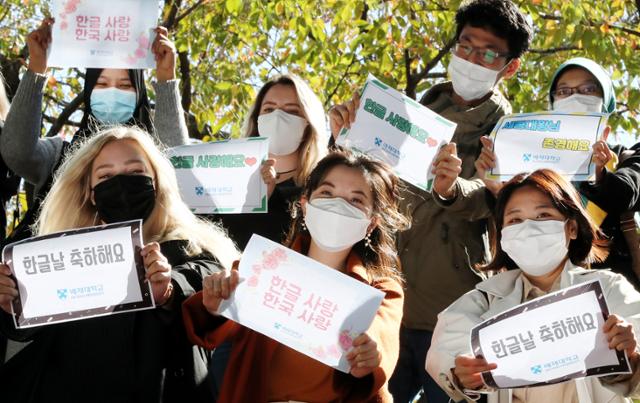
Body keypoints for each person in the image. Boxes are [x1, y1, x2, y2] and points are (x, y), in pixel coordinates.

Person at [329, 0, 532, 401]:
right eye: (466, 45)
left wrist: (452, 188)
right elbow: (367, 184)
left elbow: (497, 199)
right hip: (387, 294)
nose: (472, 58)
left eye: (488, 52)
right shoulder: (407, 113)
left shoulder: (512, 133)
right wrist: (344, 138)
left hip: (454, 305)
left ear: (509, 67)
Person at [0, 126, 239, 402]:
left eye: (136, 172)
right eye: (106, 176)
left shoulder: (191, 247)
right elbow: (31, 330)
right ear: (90, 192)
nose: (121, 184)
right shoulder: (59, 261)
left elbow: (204, 285)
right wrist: (13, 302)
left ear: (157, 182)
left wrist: (168, 290)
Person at [183, 149, 409, 402]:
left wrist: (370, 351)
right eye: (327, 193)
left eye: (356, 200)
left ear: (370, 224)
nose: (338, 205)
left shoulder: (382, 290)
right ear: (305, 205)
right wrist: (216, 304)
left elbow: (381, 337)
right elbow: (212, 326)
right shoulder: (264, 266)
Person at [426, 168, 640, 403]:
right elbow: (447, 352)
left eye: (543, 215)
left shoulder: (609, 290)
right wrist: (461, 374)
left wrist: (630, 355)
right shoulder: (483, 300)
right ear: (504, 236)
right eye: (515, 220)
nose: (528, 228)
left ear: (572, 228)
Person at [1, 18, 188, 230]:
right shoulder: (59, 156)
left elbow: (179, 167)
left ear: (139, 94)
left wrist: (166, 81)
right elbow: (17, 153)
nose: (113, 91)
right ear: (89, 92)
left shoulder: (156, 161)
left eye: (125, 85)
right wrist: (36, 67)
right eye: (102, 84)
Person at [475, 57, 640, 288]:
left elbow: (625, 194)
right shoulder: (530, 164)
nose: (575, 96)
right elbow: (515, 229)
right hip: (543, 292)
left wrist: (599, 172)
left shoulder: (626, 156)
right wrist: (498, 191)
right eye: (564, 91)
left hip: (611, 292)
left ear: (606, 102)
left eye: (588, 89)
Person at [215, 74, 327, 250]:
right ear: (256, 120)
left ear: (308, 123)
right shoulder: (229, 180)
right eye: (269, 109)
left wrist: (269, 200)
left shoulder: (319, 191)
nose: (278, 117)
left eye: (291, 111)